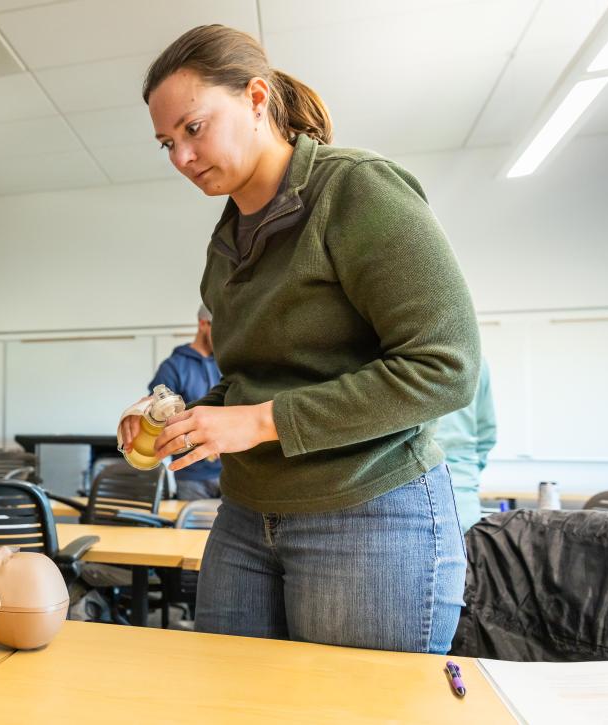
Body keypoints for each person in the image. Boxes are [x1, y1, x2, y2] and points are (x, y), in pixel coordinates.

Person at [120, 25, 479, 654]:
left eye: (193, 128)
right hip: (246, 512)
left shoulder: (355, 189)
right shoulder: (224, 244)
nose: (180, 157)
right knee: (231, 705)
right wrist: (180, 416)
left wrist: (259, 421)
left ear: (257, 98)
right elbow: (254, 376)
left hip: (369, 509)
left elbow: (445, 366)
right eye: (166, 143)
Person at [147, 304, 221, 499]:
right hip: (191, 475)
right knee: (192, 529)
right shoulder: (173, 367)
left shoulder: (227, 365)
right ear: (203, 324)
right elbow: (158, 418)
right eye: (220, 328)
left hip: (231, 472)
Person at [434, 358, 496, 531]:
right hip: (463, 494)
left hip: (409, 494)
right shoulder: (477, 361)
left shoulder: (400, 357)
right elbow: (487, 435)